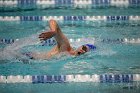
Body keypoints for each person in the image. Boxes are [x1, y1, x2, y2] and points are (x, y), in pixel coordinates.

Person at [29, 19, 96, 60]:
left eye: (85, 51)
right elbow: (52, 21)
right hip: (28, 57)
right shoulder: (66, 47)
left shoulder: (69, 57)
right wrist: (54, 31)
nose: (82, 51)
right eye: (83, 48)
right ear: (80, 46)